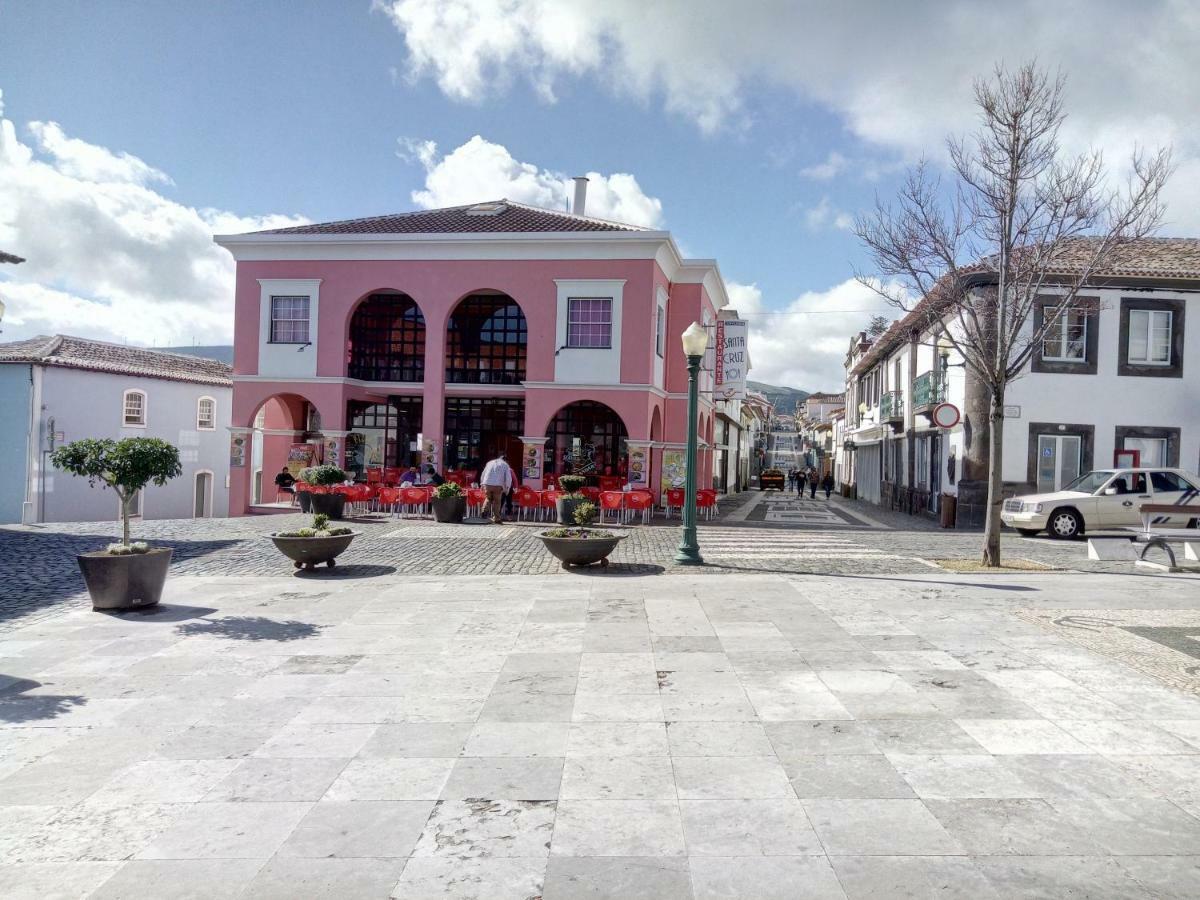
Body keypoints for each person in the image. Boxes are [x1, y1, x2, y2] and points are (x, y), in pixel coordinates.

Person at [479, 451, 515, 524]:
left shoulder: (489, 463)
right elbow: (508, 478)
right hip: (498, 485)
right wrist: (507, 488)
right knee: (497, 502)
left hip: (487, 483)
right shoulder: (505, 465)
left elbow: (483, 473)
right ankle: (497, 518)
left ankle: (484, 511)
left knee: (488, 498)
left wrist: (482, 483)